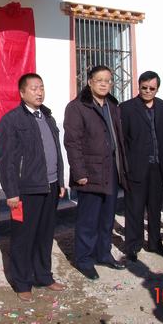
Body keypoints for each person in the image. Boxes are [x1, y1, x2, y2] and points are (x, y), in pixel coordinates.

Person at [0, 73, 67, 302]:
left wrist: (61, 181)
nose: (39, 92)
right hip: (26, 190)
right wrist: (11, 192)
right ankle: (22, 282)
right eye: (34, 88)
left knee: (45, 235)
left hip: (50, 186)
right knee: (23, 238)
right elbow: (6, 161)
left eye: (41, 87)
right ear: (22, 92)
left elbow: (56, 151)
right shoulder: (12, 120)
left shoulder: (48, 116)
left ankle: (44, 276)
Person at [64, 66, 128, 280]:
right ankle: (84, 260)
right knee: (88, 220)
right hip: (90, 171)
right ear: (89, 82)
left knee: (107, 217)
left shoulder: (112, 105)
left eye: (107, 80)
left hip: (111, 169)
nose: (103, 84)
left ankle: (103, 253)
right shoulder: (77, 107)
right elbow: (72, 142)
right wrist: (79, 172)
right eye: (99, 80)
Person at [120, 71, 163, 262]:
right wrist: (126, 166)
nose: (148, 91)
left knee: (155, 207)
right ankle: (133, 245)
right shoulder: (126, 108)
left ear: (157, 89)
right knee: (134, 208)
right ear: (138, 86)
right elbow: (123, 140)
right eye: (144, 87)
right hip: (136, 166)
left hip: (157, 166)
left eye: (152, 88)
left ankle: (155, 243)